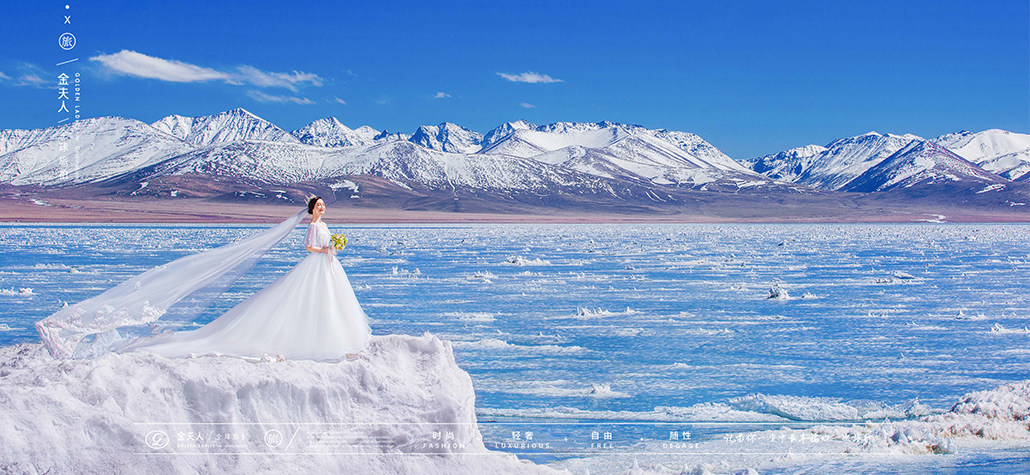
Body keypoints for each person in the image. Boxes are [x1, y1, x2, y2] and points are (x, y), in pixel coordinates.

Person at [127, 196, 371, 361]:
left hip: (328, 266)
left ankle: (336, 336)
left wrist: (332, 248)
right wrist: (326, 250)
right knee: (306, 298)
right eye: (319, 205)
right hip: (317, 263)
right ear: (312, 209)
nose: (322, 207)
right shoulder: (312, 227)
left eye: (323, 205)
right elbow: (308, 248)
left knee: (330, 300)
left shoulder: (325, 225)